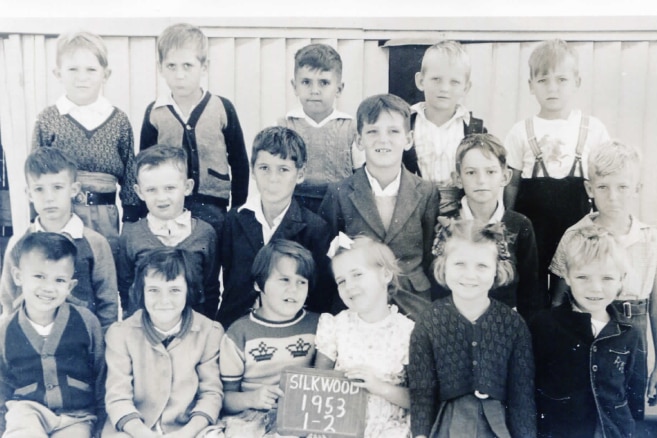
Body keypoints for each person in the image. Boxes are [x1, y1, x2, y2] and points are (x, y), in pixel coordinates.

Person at [549, 140, 656, 404]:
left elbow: (655, 307)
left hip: (635, 328)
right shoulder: (575, 235)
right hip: (586, 328)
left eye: (622, 187)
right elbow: (557, 300)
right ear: (590, 188)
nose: (613, 196)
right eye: (603, 187)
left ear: (637, 189)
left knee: (627, 409)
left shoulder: (650, 238)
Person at [504, 39, 610, 302]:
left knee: (573, 291)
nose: (552, 88)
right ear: (531, 86)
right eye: (543, 81)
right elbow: (512, 185)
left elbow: (604, 179)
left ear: (577, 82)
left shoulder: (592, 128)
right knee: (533, 292)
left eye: (561, 79)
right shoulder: (521, 130)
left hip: (578, 226)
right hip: (534, 229)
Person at [408, 219, 536, 438]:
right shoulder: (429, 320)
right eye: (459, 264)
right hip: (448, 424)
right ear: (443, 266)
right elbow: (422, 390)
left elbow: (521, 394)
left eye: (482, 266)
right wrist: (421, 434)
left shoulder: (513, 324)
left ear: (497, 270)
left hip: (498, 425)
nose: (470, 275)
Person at [319, 93, 439, 317]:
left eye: (393, 131)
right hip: (357, 305)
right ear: (359, 140)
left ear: (409, 139)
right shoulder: (340, 192)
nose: (383, 140)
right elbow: (329, 257)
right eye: (372, 131)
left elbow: (428, 253)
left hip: (412, 303)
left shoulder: (426, 192)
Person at [32, 31, 141, 259]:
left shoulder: (118, 120)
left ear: (105, 74)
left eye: (91, 69)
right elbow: (36, 172)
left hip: (105, 217)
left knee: (103, 269)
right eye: (73, 69)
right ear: (58, 73)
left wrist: (131, 218)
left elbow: (131, 172)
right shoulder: (48, 119)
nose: (82, 77)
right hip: (60, 214)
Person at [530, 226, 644, 437]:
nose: (595, 288)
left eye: (607, 278)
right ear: (567, 276)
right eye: (583, 277)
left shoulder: (630, 333)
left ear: (621, 279)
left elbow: (633, 394)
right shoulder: (544, 325)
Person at [217, 126, 333, 329]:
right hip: (236, 327)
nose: (273, 178)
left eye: (283, 169)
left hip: (291, 332)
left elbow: (320, 295)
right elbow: (229, 282)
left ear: (300, 174)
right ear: (252, 170)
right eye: (264, 168)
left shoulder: (315, 229)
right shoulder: (233, 220)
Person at [140, 22, 249, 235]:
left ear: (204, 67)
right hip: (169, 207)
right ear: (160, 67)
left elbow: (239, 163)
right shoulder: (155, 113)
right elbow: (145, 166)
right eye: (172, 66)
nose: (179, 75)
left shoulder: (221, 108)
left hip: (213, 206)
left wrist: (236, 209)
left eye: (187, 66)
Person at [103, 247, 223, 438]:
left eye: (174, 290)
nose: (164, 300)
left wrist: (187, 433)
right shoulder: (121, 334)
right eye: (153, 290)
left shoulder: (210, 332)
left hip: (188, 428)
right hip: (135, 428)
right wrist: (143, 433)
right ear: (141, 291)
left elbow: (211, 394)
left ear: (188, 291)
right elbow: (118, 396)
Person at [0, 232, 106, 437]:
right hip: (26, 412)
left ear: (70, 286)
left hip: (77, 417)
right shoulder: (5, 330)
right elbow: (2, 386)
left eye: (59, 280)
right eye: (39, 276)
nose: (48, 288)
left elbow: (101, 376)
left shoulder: (86, 322)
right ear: (18, 276)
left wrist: (101, 426)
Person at [0, 147, 118, 330]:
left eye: (57, 187)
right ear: (29, 194)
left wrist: (102, 345)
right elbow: (8, 300)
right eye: (39, 189)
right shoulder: (19, 243)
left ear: (74, 189)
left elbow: (107, 303)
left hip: (82, 343)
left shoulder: (95, 243)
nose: (49, 198)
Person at [432, 133, 541, 320]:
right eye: (471, 172)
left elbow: (530, 292)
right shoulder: (445, 224)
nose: (481, 180)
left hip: (504, 325)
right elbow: (436, 284)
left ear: (505, 176)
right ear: (457, 178)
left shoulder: (520, 224)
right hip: (453, 322)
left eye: (490, 172)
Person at [314, 235, 415, 437]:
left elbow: (420, 399)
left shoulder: (407, 332)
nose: (349, 286)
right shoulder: (336, 325)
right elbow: (316, 385)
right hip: (339, 425)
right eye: (341, 281)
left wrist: (378, 386)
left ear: (385, 275)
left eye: (357, 275)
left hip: (387, 428)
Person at [219, 240, 320, 437]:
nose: (294, 289)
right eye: (284, 280)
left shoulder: (318, 326)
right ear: (258, 284)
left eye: (302, 282)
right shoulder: (239, 333)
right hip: (251, 419)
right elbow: (225, 398)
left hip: (301, 419)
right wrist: (252, 399)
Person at [117, 145, 219, 318]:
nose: (161, 197)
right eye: (151, 190)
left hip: (194, 332)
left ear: (187, 187)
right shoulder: (131, 235)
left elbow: (210, 288)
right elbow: (126, 287)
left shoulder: (205, 233)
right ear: (139, 192)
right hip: (145, 331)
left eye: (170, 188)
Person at [403, 41, 487, 215]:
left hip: (461, 213)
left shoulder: (474, 128)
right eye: (436, 79)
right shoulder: (405, 122)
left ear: (466, 87)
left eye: (454, 82)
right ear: (420, 81)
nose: (444, 88)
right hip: (412, 211)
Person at [278, 43, 362, 213]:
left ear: (338, 89)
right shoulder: (284, 126)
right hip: (294, 206)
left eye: (324, 83)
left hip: (339, 208)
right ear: (295, 87)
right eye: (306, 82)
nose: (314, 91)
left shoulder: (350, 128)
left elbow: (360, 178)